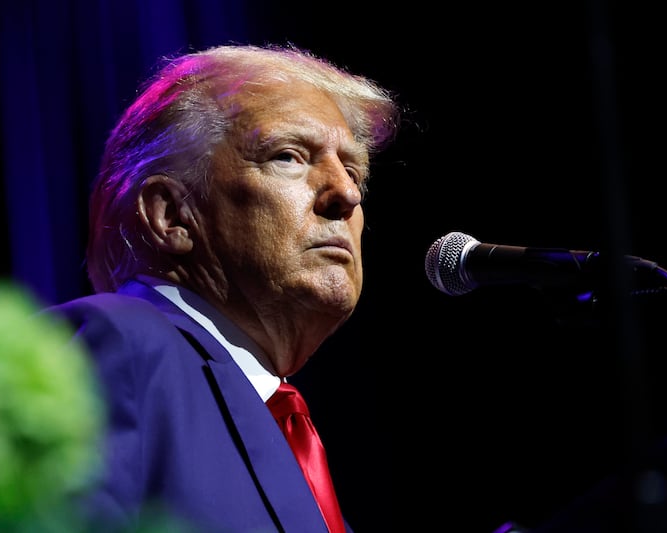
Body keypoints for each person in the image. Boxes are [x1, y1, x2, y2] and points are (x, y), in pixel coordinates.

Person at [44, 43, 400, 533]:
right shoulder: (122, 344)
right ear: (171, 215)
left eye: (353, 170)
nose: (347, 194)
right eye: (290, 156)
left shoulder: (278, 418)